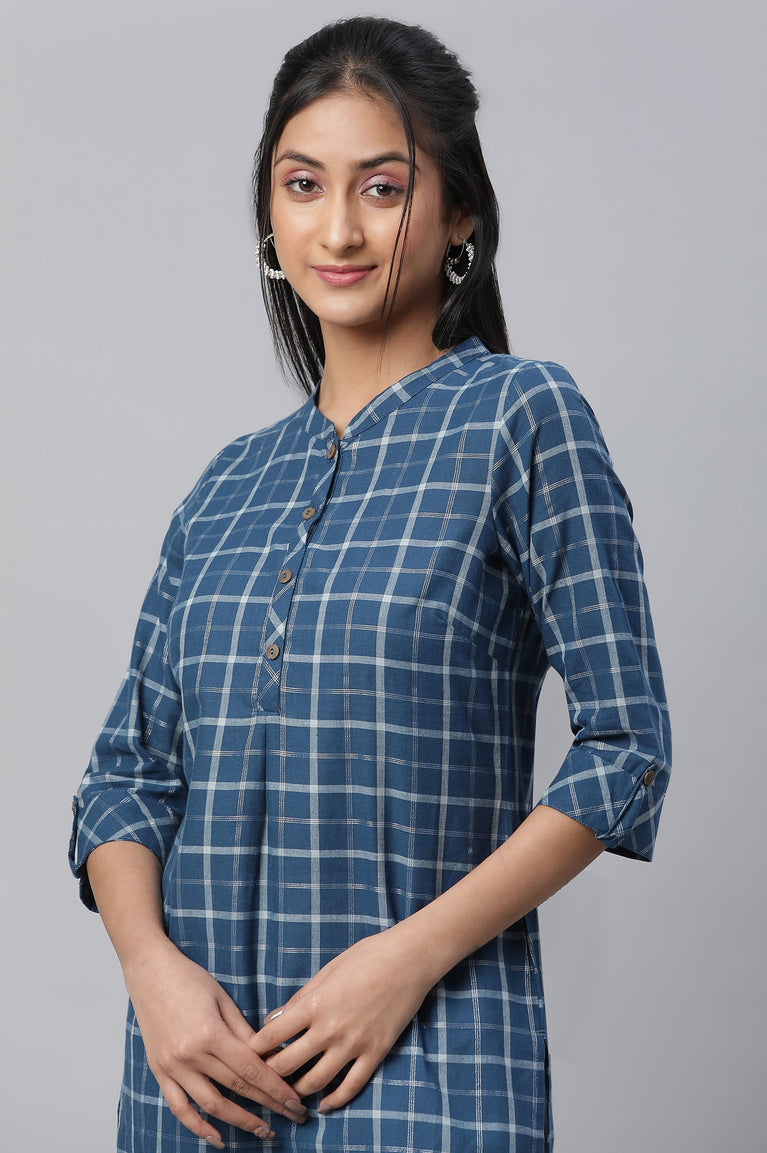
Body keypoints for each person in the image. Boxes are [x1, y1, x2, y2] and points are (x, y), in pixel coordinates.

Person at [69, 16, 671, 1153]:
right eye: (302, 185)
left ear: (459, 215)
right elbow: (125, 776)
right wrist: (152, 974)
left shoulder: (519, 419)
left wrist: (403, 961)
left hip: (424, 1070)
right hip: (193, 1088)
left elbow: (625, 748)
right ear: (268, 215)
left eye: (381, 188)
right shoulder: (227, 485)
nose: (337, 228)